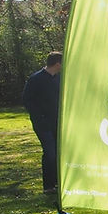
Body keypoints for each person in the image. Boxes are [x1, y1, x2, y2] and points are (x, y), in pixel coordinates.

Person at [22, 51, 63, 194]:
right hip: (43, 124)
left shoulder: (59, 79)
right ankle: (48, 186)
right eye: (62, 63)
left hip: (57, 123)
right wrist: (40, 117)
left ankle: (57, 182)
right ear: (57, 64)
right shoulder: (35, 79)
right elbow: (27, 101)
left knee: (58, 153)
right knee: (50, 153)